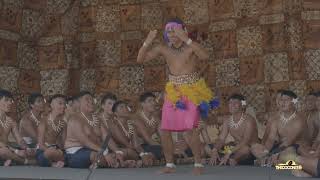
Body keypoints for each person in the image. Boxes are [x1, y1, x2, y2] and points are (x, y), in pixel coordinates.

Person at [137, 17, 216, 175]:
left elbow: (205, 56)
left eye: (175, 30)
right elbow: (140, 59)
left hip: (192, 91)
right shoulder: (163, 48)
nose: (171, 33)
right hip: (173, 92)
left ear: (183, 30)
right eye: (168, 31)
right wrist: (147, 42)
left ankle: (198, 164)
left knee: (189, 129)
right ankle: (170, 165)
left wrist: (186, 39)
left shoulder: (190, 46)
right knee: (165, 129)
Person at [251, 90, 306, 166]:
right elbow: (270, 139)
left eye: (286, 100)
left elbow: (289, 142)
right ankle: (271, 160)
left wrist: (274, 153)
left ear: (294, 102)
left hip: (294, 148)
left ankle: (270, 161)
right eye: (281, 100)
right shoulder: (276, 120)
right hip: (279, 148)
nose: (282, 103)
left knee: (289, 153)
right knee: (255, 147)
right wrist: (266, 151)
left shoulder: (299, 120)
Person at [64, 91, 117, 168]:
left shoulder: (97, 119)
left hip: (95, 150)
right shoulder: (74, 119)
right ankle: (117, 163)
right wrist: (104, 152)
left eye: (92, 99)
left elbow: (107, 137)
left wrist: (118, 151)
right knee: (95, 156)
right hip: (75, 153)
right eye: (87, 99)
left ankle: (110, 162)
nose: (91, 101)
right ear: (79, 103)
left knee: (123, 153)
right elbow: (85, 141)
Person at [210, 94, 258, 166]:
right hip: (234, 147)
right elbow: (221, 139)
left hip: (249, 149)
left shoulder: (249, 120)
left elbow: (245, 141)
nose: (232, 105)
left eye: (235, 103)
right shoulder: (228, 120)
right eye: (230, 103)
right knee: (209, 147)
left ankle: (230, 159)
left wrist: (229, 152)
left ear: (242, 105)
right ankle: (226, 159)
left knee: (245, 149)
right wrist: (215, 150)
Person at [111, 101, 154, 167]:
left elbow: (136, 144)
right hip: (117, 150)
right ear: (116, 113)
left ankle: (129, 162)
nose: (125, 109)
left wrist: (143, 154)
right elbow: (125, 143)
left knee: (148, 153)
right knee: (131, 152)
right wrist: (141, 154)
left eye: (126, 107)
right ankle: (132, 161)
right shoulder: (114, 124)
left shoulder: (131, 125)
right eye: (121, 107)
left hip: (129, 149)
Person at [0, 89, 34, 166]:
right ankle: (24, 161)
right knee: (4, 152)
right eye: (6, 100)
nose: (10, 103)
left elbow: (19, 139)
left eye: (11, 100)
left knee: (32, 152)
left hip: (9, 149)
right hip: (6, 150)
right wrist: (16, 151)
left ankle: (9, 160)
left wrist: (26, 148)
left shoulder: (11, 121)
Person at [36, 94, 67, 167]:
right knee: (48, 154)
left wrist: (60, 149)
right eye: (60, 103)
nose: (63, 106)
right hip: (44, 150)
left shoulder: (63, 123)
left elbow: (63, 144)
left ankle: (56, 162)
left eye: (64, 104)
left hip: (56, 150)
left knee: (68, 155)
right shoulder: (44, 121)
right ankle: (54, 163)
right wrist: (52, 151)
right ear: (52, 105)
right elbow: (41, 145)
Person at [134, 92, 163, 162]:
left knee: (186, 149)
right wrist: (166, 148)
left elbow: (163, 137)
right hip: (138, 148)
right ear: (142, 104)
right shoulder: (137, 118)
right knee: (160, 150)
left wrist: (170, 146)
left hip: (151, 146)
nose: (153, 103)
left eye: (153, 100)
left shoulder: (156, 119)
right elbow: (148, 140)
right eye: (149, 101)